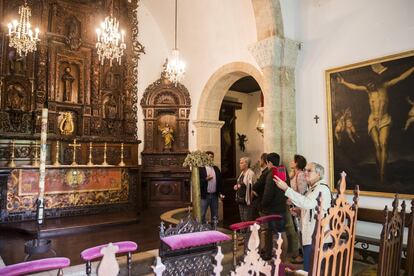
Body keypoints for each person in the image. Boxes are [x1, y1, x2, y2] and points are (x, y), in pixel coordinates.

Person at [336, 64, 414, 182]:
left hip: (384, 119)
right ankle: (380, 170)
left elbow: (401, 77)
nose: (369, 86)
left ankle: (383, 174)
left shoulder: (385, 86)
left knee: (384, 144)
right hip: (372, 119)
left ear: (376, 82)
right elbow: (355, 87)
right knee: (377, 145)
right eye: (368, 85)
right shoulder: (368, 90)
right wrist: (343, 82)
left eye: (371, 84)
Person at [274, 162, 332, 272]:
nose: (305, 172)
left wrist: (287, 189)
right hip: (311, 235)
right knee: (311, 268)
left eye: (309, 170)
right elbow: (313, 208)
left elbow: (308, 203)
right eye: (305, 170)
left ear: (319, 174)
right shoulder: (313, 188)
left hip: (317, 237)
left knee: (312, 269)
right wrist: (300, 212)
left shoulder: (321, 188)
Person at [261, 152, 288, 261]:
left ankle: (279, 260)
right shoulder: (283, 170)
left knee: (276, 234)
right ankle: (283, 259)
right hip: (282, 207)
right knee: (282, 232)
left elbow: (268, 193)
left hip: (273, 209)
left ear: (269, 162)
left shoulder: (271, 173)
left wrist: (263, 204)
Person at [287, 154, 308, 264]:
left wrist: (298, 207)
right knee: (297, 231)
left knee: (300, 231)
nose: (291, 162)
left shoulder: (300, 175)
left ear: (297, 163)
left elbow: (302, 193)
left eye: (293, 161)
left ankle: (303, 255)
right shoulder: (295, 174)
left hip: (298, 208)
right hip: (293, 206)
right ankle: (301, 253)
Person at [199, 151, 223, 224]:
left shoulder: (216, 168)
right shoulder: (201, 169)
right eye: (209, 157)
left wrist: (221, 193)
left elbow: (220, 181)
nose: (211, 158)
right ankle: (201, 231)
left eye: (212, 157)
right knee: (202, 214)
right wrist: (205, 179)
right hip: (205, 196)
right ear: (205, 158)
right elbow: (198, 182)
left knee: (215, 215)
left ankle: (214, 230)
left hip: (214, 195)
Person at [234, 157, 256, 221]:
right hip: (240, 199)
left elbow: (252, 187)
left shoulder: (251, 173)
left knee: (247, 219)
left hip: (247, 200)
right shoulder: (241, 173)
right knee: (242, 218)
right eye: (240, 163)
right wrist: (237, 186)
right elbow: (240, 183)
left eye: (241, 163)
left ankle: (248, 231)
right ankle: (242, 231)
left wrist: (250, 200)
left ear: (246, 164)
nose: (239, 165)